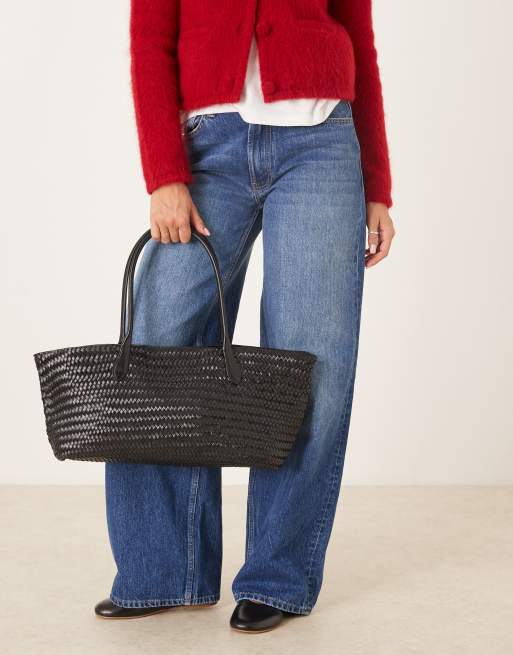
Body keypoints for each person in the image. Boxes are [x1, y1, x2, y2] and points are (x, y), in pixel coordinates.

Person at [95, 0, 396, 633]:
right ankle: (161, 571)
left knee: (311, 363)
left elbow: (359, 41)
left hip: (321, 146)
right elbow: (150, 43)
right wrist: (163, 174)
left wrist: (377, 185)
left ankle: (276, 579)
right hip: (208, 147)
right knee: (156, 344)